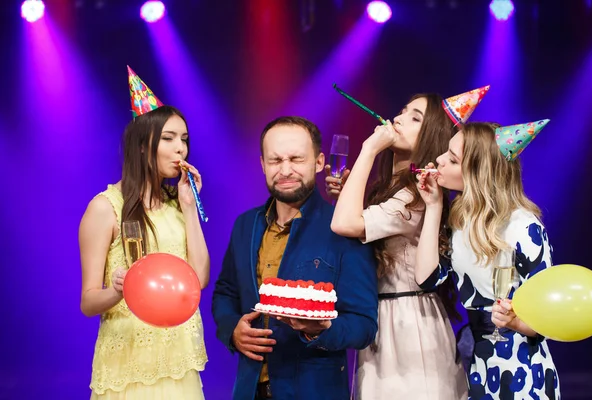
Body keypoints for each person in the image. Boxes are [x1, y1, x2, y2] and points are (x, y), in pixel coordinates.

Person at [328, 87, 488, 399]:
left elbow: (343, 224)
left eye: (415, 118)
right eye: (402, 111)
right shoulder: (393, 189)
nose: (399, 119)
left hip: (409, 325)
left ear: (431, 138)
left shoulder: (415, 196)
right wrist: (349, 191)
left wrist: (369, 149)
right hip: (384, 319)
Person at [212, 116, 379, 400]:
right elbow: (225, 293)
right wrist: (232, 331)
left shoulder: (344, 228)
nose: (285, 170)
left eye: (296, 159)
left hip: (313, 391)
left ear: (318, 161)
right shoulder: (245, 225)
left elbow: (363, 325)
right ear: (262, 164)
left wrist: (321, 329)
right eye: (275, 160)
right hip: (249, 389)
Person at [79, 67, 209, 399]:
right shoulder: (105, 207)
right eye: (168, 138)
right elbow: (88, 301)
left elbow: (199, 279)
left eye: (184, 139)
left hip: (178, 358)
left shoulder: (177, 206)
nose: (181, 149)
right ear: (141, 145)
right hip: (128, 365)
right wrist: (118, 290)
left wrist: (190, 206)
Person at [415, 120, 560, 399]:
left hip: (522, 366)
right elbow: (427, 277)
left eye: (453, 160)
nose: (439, 161)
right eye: (446, 153)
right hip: (480, 362)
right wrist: (433, 206)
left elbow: (550, 318)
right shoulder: (459, 219)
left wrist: (515, 322)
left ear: (478, 172)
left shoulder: (523, 226)